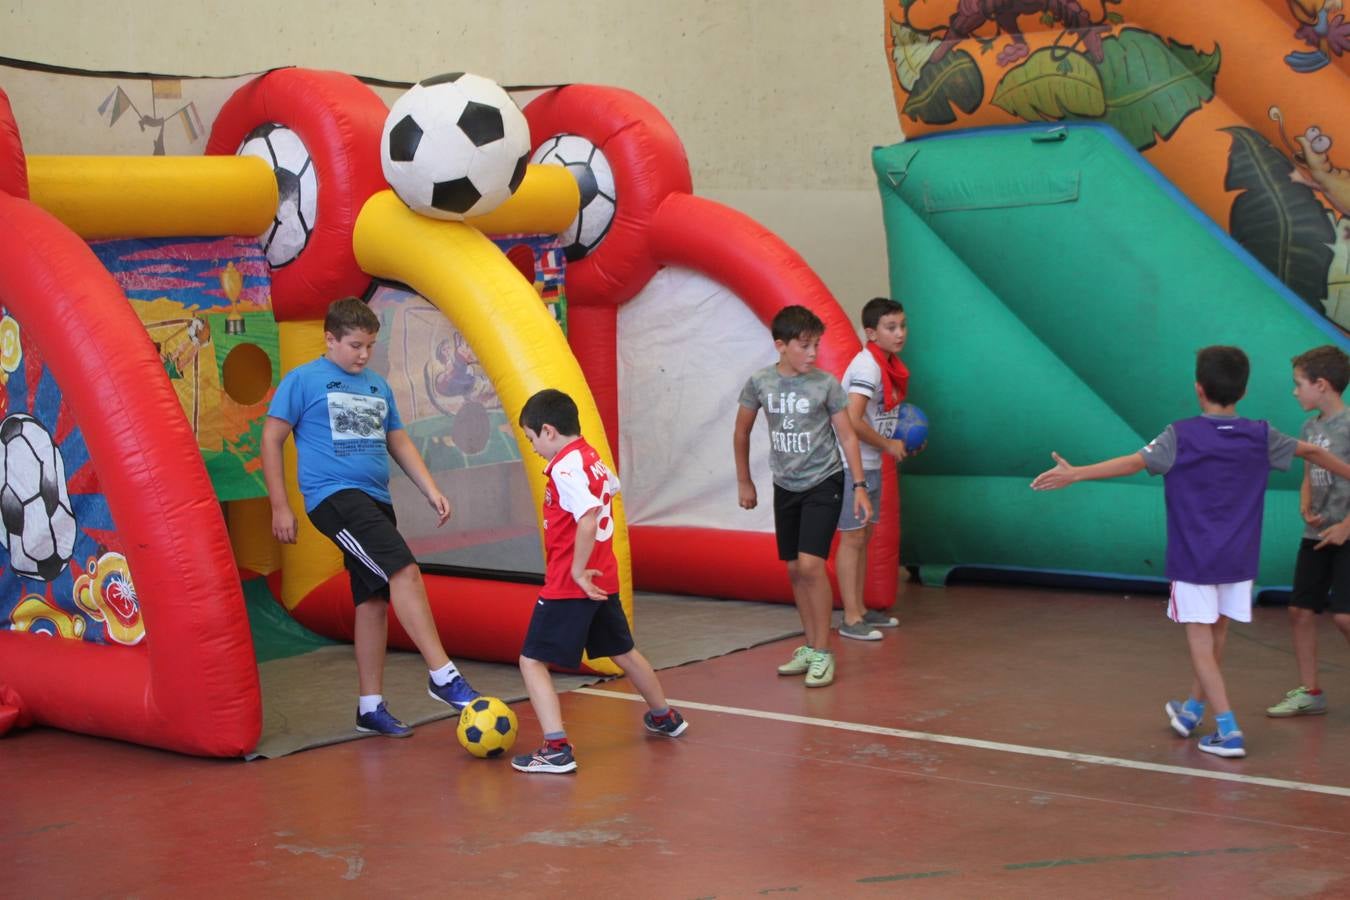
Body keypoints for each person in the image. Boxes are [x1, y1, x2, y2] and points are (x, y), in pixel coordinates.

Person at [1031, 345, 1350, 758]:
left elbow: (1132, 463)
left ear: (1199, 388)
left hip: (1194, 561)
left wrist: (1076, 473)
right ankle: (1191, 711)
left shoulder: (1179, 435)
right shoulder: (1261, 434)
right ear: (1243, 390)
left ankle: (1228, 730)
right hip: (1239, 562)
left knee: (1201, 645)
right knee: (1216, 638)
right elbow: (1314, 452)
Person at [262, 296, 479, 739]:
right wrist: (280, 505)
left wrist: (430, 489)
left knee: (373, 599)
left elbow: (398, 440)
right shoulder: (303, 380)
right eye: (355, 345)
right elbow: (271, 438)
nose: (363, 355)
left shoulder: (377, 385)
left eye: (370, 346)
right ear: (330, 339)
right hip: (335, 497)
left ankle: (370, 706)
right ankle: (443, 675)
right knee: (404, 569)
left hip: (376, 499)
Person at [511, 388, 687, 774]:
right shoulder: (590, 456)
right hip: (603, 578)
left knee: (531, 660)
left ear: (548, 430)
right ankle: (664, 716)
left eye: (532, 438)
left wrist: (576, 570)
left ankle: (556, 748)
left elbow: (588, 518)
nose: (534, 447)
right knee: (623, 651)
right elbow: (612, 488)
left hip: (572, 583)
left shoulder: (564, 467)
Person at [734, 305, 872, 687]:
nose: (813, 353)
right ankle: (810, 646)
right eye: (805, 346)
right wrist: (745, 481)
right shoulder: (760, 382)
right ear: (781, 345)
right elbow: (742, 431)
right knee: (795, 569)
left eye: (816, 345)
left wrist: (860, 486)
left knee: (812, 565)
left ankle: (824, 651)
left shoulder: (825, 384)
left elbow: (847, 436)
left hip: (824, 481)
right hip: (785, 484)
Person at [1267, 345, 1350, 718]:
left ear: (1322, 385)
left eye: (1299, 383)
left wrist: (1345, 527)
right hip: (1315, 536)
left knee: (1345, 617)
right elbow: (1308, 475)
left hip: (1347, 535)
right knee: (1300, 611)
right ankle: (1310, 691)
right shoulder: (1309, 428)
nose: (1294, 391)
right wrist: (1305, 505)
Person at [835, 297, 911, 641]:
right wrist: (888, 445)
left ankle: (861, 610)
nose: (900, 333)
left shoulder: (889, 365)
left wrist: (902, 439)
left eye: (902, 326)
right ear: (871, 333)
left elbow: (879, 417)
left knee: (863, 535)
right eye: (890, 327)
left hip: (870, 462)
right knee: (852, 536)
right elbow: (852, 418)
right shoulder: (868, 367)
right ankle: (850, 618)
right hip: (851, 464)